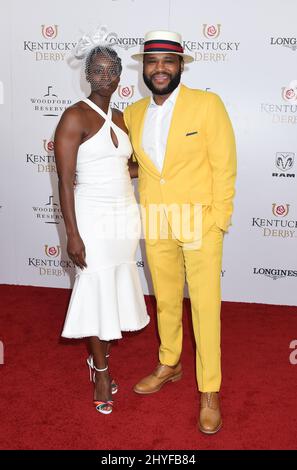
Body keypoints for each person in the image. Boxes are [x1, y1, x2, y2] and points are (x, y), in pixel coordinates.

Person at [123, 30, 236, 433]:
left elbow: (224, 166)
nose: (159, 68)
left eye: (168, 61)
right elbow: (138, 164)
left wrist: (218, 219)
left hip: (200, 221)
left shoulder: (207, 105)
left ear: (180, 66)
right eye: (152, 61)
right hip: (155, 219)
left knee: (205, 307)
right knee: (167, 299)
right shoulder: (133, 113)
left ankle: (210, 389)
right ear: (144, 67)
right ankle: (169, 363)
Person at [54, 38, 150, 415]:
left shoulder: (125, 117)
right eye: (98, 70)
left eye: (112, 70)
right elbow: (64, 181)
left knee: (112, 287)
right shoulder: (74, 115)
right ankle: (101, 372)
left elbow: (125, 167)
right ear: (87, 75)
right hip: (90, 215)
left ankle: (101, 360)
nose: (106, 77)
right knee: (95, 288)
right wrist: (72, 235)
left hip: (123, 216)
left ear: (120, 74)